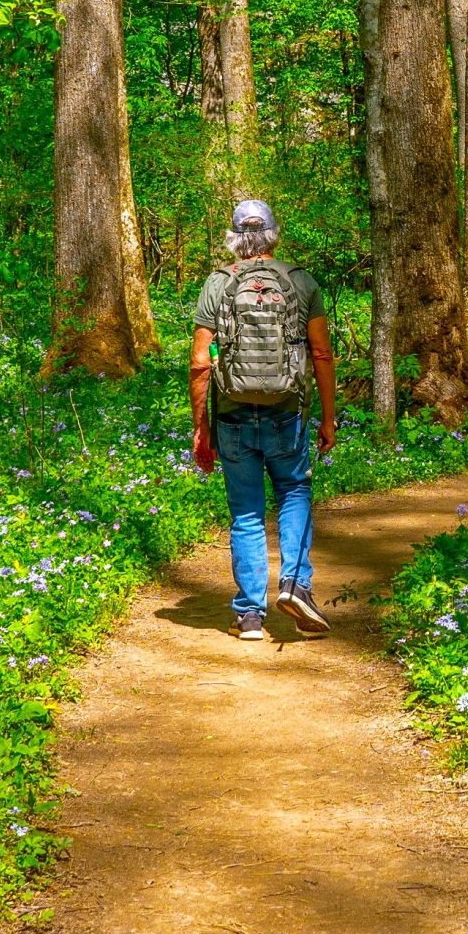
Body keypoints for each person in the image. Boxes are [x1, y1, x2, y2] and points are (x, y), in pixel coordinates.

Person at [190, 200, 339, 641]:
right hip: (286, 412)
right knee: (294, 490)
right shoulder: (300, 282)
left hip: (233, 415)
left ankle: (250, 615)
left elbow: (201, 361)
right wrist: (328, 418)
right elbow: (322, 353)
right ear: (274, 233)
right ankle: (296, 585)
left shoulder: (218, 284)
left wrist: (202, 427)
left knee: (247, 513)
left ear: (235, 237)